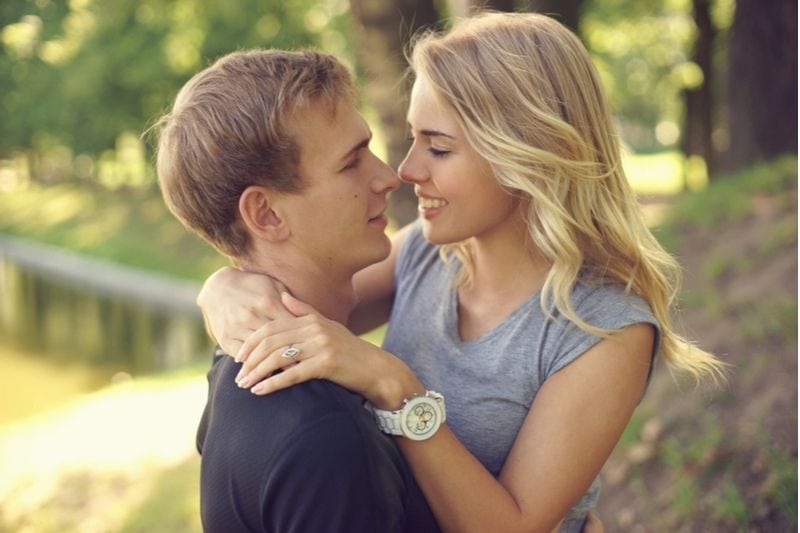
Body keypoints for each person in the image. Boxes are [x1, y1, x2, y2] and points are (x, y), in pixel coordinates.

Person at [198, 12, 725, 533]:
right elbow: (300, 307)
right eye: (412, 138)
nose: (407, 170)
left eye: (440, 148)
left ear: (529, 155)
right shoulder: (425, 255)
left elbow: (514, 527)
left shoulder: (604, 330)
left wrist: (397, 388)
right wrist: (222, 288)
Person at [151, 48, 441, 532]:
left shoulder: (234, 369)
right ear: (265, 215)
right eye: (351, 164)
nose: (388, 177)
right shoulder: (327, 437)